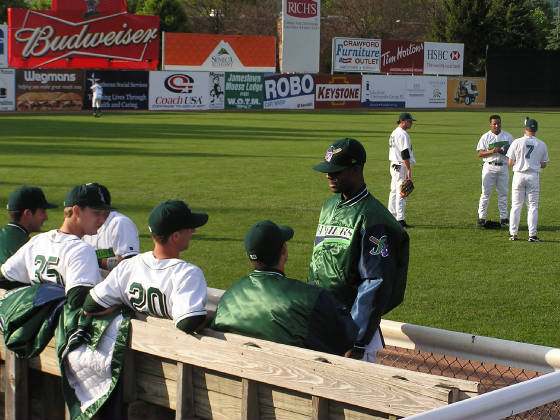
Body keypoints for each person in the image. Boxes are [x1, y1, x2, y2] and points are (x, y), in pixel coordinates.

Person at [309, 137, 409, 362]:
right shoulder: (329, 207)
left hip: (351, 333)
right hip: (323, 321)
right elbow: (317, 265)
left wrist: (356, 339)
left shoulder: (375, 218)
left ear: (356, 169)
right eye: (328, 171)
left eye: (336, 171)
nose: (329, 176)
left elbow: (375, 282)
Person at [213, 220, 358, 356]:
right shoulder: (310, 298)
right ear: (284, 249)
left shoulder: (230, 295)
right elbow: (348, 337)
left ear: (249, 257)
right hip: (295, 379)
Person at [82, 200, 208, 334]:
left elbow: (90, 306)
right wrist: (210, 318)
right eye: (189, 228)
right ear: (175, 236)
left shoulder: (128, 266)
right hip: (168, 351)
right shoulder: (187, 274)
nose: (193, 231)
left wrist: (123, 307)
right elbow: (187, 323)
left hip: (131, 350)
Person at [0, 183, 113, 306]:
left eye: (104, 214)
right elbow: (78, 302)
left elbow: (5, 276)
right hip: (59, 322)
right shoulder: (81, 250)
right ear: (76, 211)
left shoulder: (38, 241)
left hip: (38, 320)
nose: (102, 220)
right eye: (96, 213)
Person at [82, 183, 139, 277]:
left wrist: (92, 260)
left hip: (116, 289)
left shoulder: (120, 223)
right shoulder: (84, 224)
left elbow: (130, 263)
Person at [506, 118, 549, 242]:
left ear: (525, 128)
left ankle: (513, 234)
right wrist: (534, 163)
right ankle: (532, 235)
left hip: (519, 175)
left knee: (516, 206)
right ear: (536, 129)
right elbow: (544, 164)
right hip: (533, 176)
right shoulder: (541, 144)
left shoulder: (516, 142)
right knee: (533, 207)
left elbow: (510, 162)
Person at [0, 186, 58, 265]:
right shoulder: (26, 246)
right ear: (27, 213)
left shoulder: (5, 236)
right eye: (42, 212)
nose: (46, 217)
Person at [476, 115, 514, 228]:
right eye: (495, 124)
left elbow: (514, 153)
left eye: (499, 123)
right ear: (490, 124)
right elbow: (480, 153)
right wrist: (492, 151)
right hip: (489, 166)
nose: (497, 125)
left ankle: (504, 218)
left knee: (503, 193)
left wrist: (503, 152)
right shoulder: (486, 137)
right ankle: (481, 218)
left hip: (503, 167)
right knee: (485, 193)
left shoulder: (508, 136)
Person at [388, 112, 416, 228]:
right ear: (403, 121)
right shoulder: (403, 134)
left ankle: (391, 216)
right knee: (402, 192)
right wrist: (408, 169)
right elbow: (404, 153)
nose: (411, 123)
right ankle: (400, 219)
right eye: (409, 121)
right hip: (401, 166)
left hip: (394, 165)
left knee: (394, 191)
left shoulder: (394, 132)